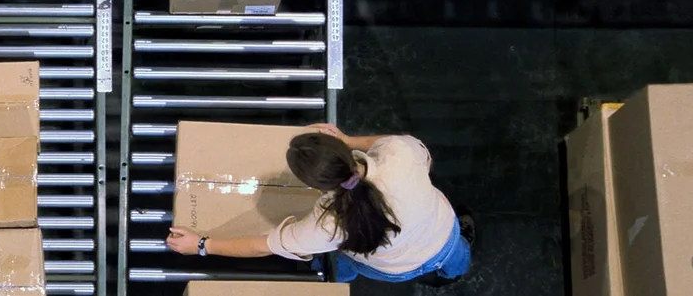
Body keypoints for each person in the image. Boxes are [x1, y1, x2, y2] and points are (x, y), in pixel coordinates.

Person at [165, 124, 475, 285]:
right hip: (444, 232)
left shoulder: (328, 225)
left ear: (315, 186)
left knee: (344, 262)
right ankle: (453, 274)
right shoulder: (399, 155)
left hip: (397, 268)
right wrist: (350, 138)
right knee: (457, 255)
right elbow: (398, 144)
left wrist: (202, 244)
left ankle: (335, 273)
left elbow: (264, 245)